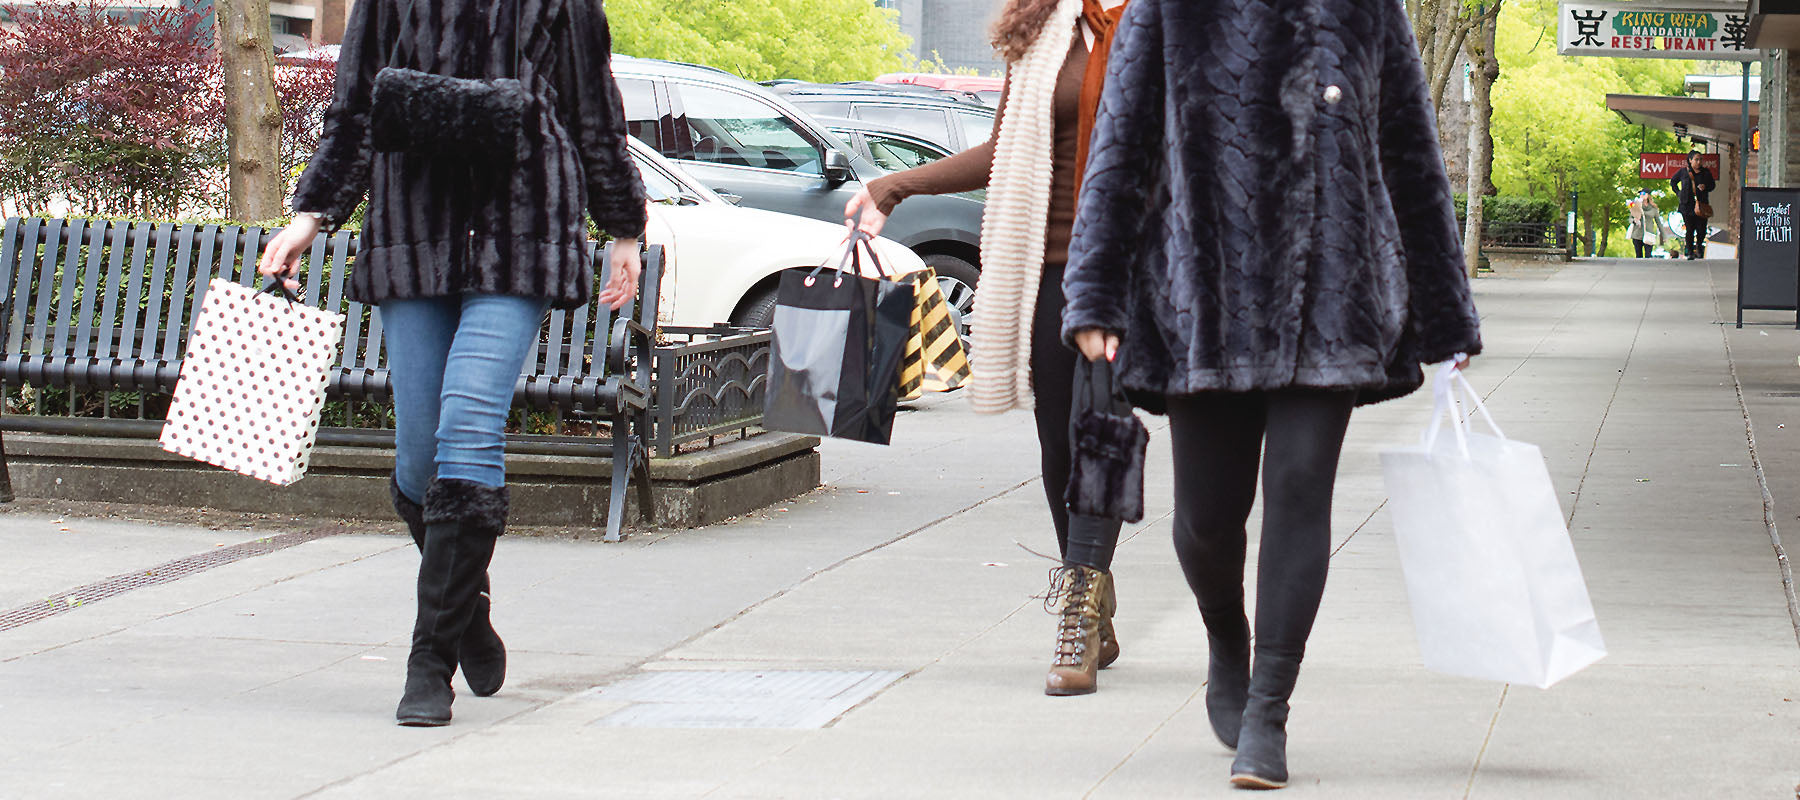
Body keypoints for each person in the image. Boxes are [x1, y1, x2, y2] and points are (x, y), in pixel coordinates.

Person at [1062, 0, 1482, 789]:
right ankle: (1228, 640)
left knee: (1298, 489)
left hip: (1330, 292)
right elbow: (1121, 146)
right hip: (1205, 295)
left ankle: (1269, 710)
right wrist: (1093, 297)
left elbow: (1410, 148)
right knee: (1206, 522)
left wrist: (1446, 311)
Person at [257, 0, 647, 727]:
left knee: (468, 424)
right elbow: (355, 106)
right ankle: (466, 611)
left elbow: (594, 108)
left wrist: (623, 224)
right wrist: (311, 215)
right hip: (413, 229)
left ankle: (428, 665)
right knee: (415, 463)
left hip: (522, 227)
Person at [842, 0, 1131, 697]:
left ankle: (1076, 611)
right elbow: (1004, 151)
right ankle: (1089, 590)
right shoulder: (1046, 32)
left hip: (1130, 264)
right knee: (1062, 446)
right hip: (1050, 265)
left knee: (1101, 430)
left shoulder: (1168, 27)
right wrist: (895, 184)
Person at [1671, 151, 1715, 260]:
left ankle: (1699, 247)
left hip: (1701, 205)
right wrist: (1679, 193)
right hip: (1687, 205)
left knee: (1701, 229)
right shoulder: (1683, 172)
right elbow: (1673, 182)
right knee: (1689, 229)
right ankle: (1690, 252)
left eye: (1700, 159)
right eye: (1696, 159)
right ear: (1690, 160)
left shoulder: (1706, 173)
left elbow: (1712, 185)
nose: (1699, 162)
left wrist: (1705, 187)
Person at [1629, 189, 1653, 258]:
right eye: (1640, 194)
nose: (1641, 195)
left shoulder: (1652, 207)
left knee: (1648, 256)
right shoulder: (1635, 205)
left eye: (1643, 193)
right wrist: (1634, 220)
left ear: (1648, 195)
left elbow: (1657, 220)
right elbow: (1630, 218)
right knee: (1638, 255)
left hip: (1648, 233)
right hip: (1637, 234)